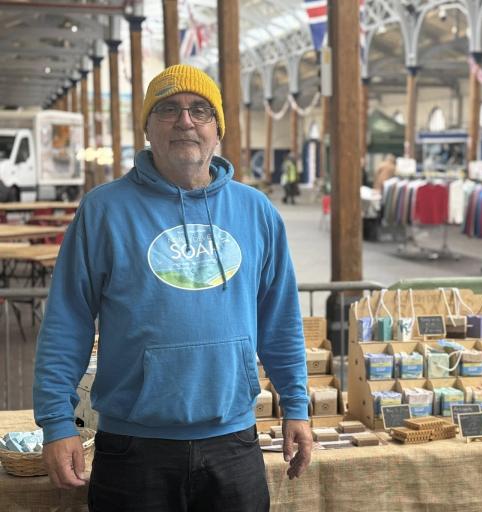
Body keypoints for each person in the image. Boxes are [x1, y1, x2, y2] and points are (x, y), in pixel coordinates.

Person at [33, 64, 312, 511]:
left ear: (216, 129)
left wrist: (296, 405)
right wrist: (57, 422)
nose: (185, 120)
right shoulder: (103, 212)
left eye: (199, 110)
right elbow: (67, 323)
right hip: (133, 447)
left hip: (233, 442)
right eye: (168, 109)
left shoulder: (255, 211)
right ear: (146, 127)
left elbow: (280, 320)